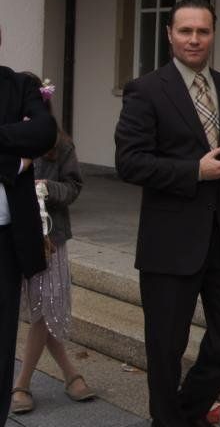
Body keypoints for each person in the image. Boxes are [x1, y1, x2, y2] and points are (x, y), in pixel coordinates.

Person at [114, 0, 220, 427]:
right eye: (185, 31)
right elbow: (129, 162)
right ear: (170, 34)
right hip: (171, 240)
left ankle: (183, 413)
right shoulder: (145, 90)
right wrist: (194, 171)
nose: (194, 39)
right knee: (165, 347)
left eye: (203, 31)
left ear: (213, 34)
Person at [11, 74, 96, 414]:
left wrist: (47, 187)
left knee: (45, 309)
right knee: (37, 310)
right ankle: (72, 374)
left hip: (50, 239)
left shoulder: (60, 144)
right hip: (14, 235)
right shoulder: (9, 137)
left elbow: (74, 188)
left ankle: (21, 384)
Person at [0, 27, 58, 420]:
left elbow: (44, 132)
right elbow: (25, 139)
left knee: (2, 343)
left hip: (6, 241)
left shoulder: (19, 85)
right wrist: (12, 160)